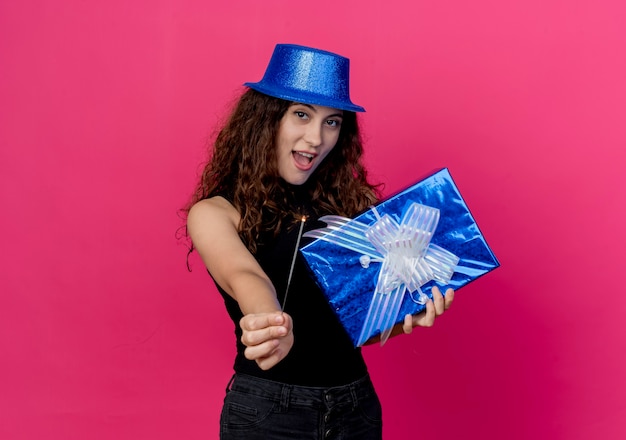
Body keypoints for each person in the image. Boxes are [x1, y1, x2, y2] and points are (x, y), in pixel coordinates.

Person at [183, 43, 454, 440]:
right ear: (265, 118)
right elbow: (245, 276)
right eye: (301, 115)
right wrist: (272, 325)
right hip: (269, 413)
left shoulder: (354, 211)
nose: (316, 137)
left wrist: (403, 318)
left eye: (333, 122)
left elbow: (357, 324)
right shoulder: (216, 213)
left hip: (355, 407)